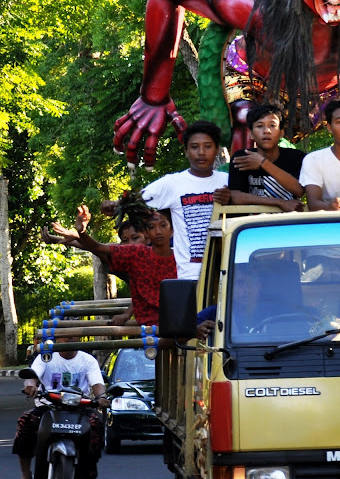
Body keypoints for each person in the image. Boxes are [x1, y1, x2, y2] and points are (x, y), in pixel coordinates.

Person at [103, 120, 230, 280]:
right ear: (186, 150)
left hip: (227, 273)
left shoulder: (229, 182)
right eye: (194, 147)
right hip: (191, 277)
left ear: (217, 149)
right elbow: (135, 201)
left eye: (208, 146)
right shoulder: (172, 183)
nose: (201, 152)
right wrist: (113, 205)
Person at [12, 337, 107, 479]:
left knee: (96, 425)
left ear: (79, 338)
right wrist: (30, 386)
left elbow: (97, 384)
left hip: (80, 408)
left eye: (73, 335)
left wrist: (102, 397)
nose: (69, 338)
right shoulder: (45, 356)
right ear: (56, 338)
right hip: (47, 407)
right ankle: (26, 477)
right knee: (26, 421)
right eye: (65, 335)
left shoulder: (87, 360)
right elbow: (32, 376)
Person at [53, 206, 176, 326]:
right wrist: (82, 232)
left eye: (163, 225)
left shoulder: (183, 258)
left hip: (177, 323)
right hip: (148, 329)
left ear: (172, 230)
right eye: (152, 227)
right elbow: (98, 248)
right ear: (147, 232)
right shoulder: (136, 253)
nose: (158, 231)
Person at [229, 103, 305, 211]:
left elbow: (299, 190)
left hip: (288, 223)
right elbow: (235, 196)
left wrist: (263, 163)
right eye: (260, 126)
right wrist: (279, 203)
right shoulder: (242, 157)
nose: (266, 131)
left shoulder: (296, 157)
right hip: (252, 224)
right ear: (251, 134)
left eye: (272, 125)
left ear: (281, 133)